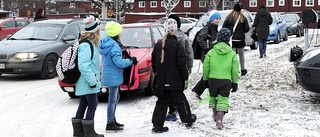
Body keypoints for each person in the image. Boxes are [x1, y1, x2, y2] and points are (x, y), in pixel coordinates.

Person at [151, 18, 196, 133]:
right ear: (175, 30)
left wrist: (158, 75)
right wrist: (184, 78)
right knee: (181, 100)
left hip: (161, 79)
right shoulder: (177, 46)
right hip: (175, 81)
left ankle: (157, 124)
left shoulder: (158, 45)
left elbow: (154, 64)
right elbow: (182, 65)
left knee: (162, 101)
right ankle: (187, 119)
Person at [99, 21, 138, 132]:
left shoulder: (107, 43)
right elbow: (119, 62)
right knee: (113, 100)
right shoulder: (114, 46)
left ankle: (112, 119)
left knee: (115, 98)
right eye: (120, 32)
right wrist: (130, 61)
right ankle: (109, 123)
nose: (121, 34)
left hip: (109, 75)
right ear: (117, 34)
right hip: (113, 76)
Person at [71, 15, 104, 137]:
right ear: (95, 31)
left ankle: (79, 133)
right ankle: (89, 133)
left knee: (84, 104)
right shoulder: (86, 45)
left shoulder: (89, 44)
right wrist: (93, 82)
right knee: (92, 104)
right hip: (87, 82)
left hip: (85, 82)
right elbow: (84, 66)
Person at [202, 28, 239, 130]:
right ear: (228, 40)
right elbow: (235, 69)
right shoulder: (231, 54)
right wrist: (235, 82)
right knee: (223, 99)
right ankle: (219, 120)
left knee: (213, 97)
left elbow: (206, 66)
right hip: (226, 80)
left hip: (213, 79)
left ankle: (214, 114)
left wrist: (205, 79)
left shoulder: (211, 52)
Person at [165, 14, 194, 121]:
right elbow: (189, 53)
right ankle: (179, 109)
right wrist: (189, 66)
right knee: (179, 90)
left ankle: (172, 110)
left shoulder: (166, 39)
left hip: (169, 70)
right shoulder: (184, 38)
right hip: (182, 68)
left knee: (170, 90)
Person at [192, 10, 221, 100]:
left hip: (212, 54)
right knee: (209, 74)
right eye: (216, 19)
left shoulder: (214, 28)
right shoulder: (208, 28)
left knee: (210, 74)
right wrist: (206, 48)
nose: (218, 20)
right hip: (206, 55)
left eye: (219, 19)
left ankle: (205, 91)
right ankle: (198, 91)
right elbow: (200, 38)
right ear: (211, 19)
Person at [222, 2, 250, 76]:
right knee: (241, 55)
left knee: (233, 56)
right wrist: (242, 31)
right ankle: (243, 69)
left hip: (232, 39)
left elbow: (224, 27)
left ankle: (234, 71)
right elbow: (247, 29)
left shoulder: (229, 17)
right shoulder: (243, 17)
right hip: (240, 39)